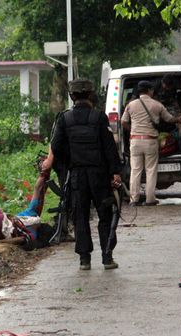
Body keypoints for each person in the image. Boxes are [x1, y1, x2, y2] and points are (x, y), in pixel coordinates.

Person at [51, 78, 123, 271]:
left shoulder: (65, 119)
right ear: (91, 95)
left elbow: (56, 147)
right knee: (105, 215)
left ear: (72, 96)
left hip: (77, 176)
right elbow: (109, 147)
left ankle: (85, 259)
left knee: (80, 216)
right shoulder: (99, 117)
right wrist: (115, 172)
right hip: (99, 175)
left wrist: (69, 163)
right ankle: (107, 257)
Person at [120, 80, 181, 206]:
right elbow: (169, 119)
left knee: (135, 170)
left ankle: (134, 199)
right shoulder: (157, 105)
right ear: (149, 91)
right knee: (150, 170)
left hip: (135, 141)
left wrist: (132, 130)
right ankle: (150, 199)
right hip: (150, 141)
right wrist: (180, 119)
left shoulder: (130, 105)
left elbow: (123, 122)